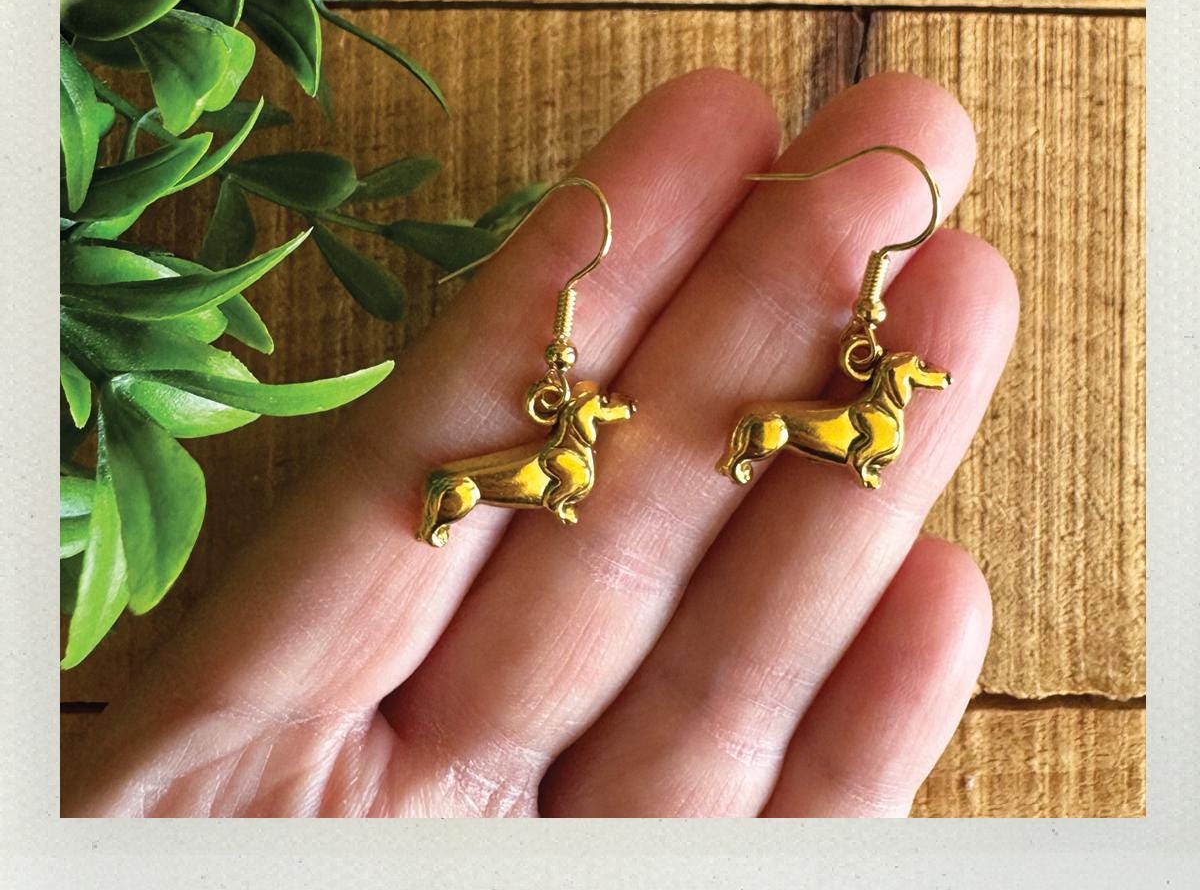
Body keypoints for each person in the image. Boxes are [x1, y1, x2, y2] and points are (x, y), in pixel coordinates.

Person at [62, 69, 1018, 818]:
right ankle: (455, 507)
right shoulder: (569, 436)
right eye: (594, 413)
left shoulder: (602, 431)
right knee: (484, 482)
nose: (606, 417)